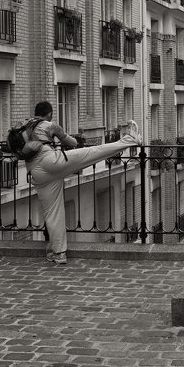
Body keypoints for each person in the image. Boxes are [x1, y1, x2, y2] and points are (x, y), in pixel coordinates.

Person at [25, 100, 141, 265]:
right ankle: (131, 139)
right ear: (49, 114)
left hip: (36, 173)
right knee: (92, 152)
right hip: (51, 162)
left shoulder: (26, 126)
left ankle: (58, 253)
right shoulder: (49, 125)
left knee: (52, 212)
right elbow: (72, 143)